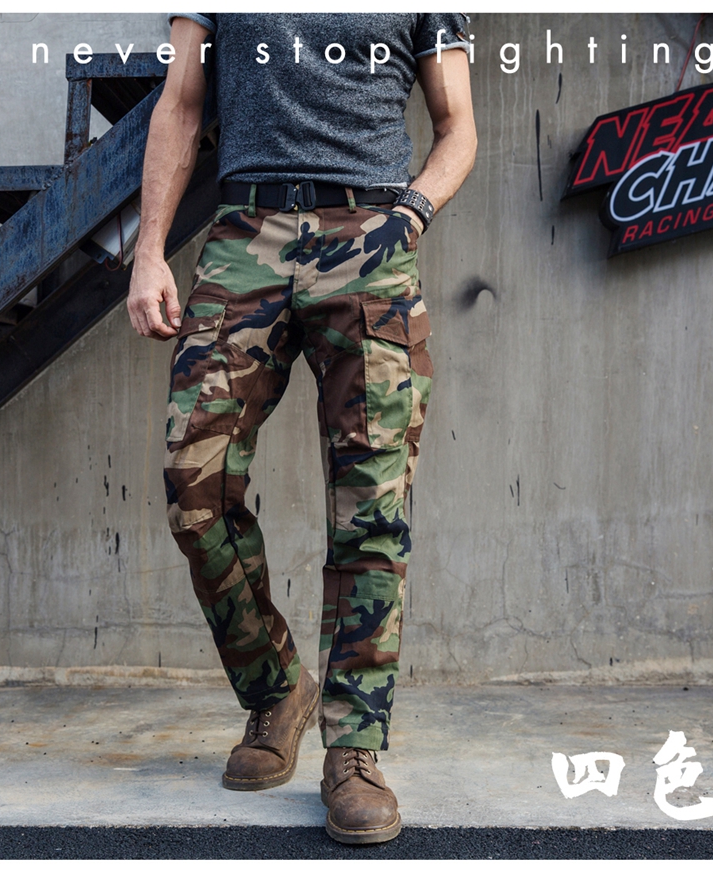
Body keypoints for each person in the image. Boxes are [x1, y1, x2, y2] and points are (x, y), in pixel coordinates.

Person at [127, 12, 476, 844]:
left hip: (371, 240)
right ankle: (279, 687)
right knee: (194, 489)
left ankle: (353, 748)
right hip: (244, 236)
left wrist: (411, 213)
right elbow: (181, 103)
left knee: (371, 509)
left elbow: (457, 125)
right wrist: (149, 250)